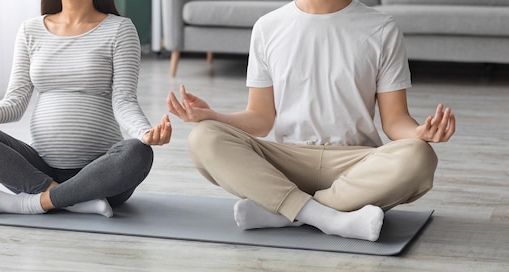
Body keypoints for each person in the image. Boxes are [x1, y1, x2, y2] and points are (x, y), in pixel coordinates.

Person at [167, 0, 455, 241]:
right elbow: (261, 118)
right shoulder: (268, 27)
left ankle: (285, 212)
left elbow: (394, 121)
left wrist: (419, 132)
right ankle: (328, 217)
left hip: (355, 165)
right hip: (286, 162)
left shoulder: (382, 28)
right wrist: (213, 117)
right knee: (204, 137)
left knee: (419, 155)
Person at [0, 0, 171, 217]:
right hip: (38, 172)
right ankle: (70, 199)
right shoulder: (30, 30)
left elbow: (124, 100)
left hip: (100, 173)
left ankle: (31, 204)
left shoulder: (120, 29)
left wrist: (145, 132)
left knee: (138, 152)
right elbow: (13, 104)